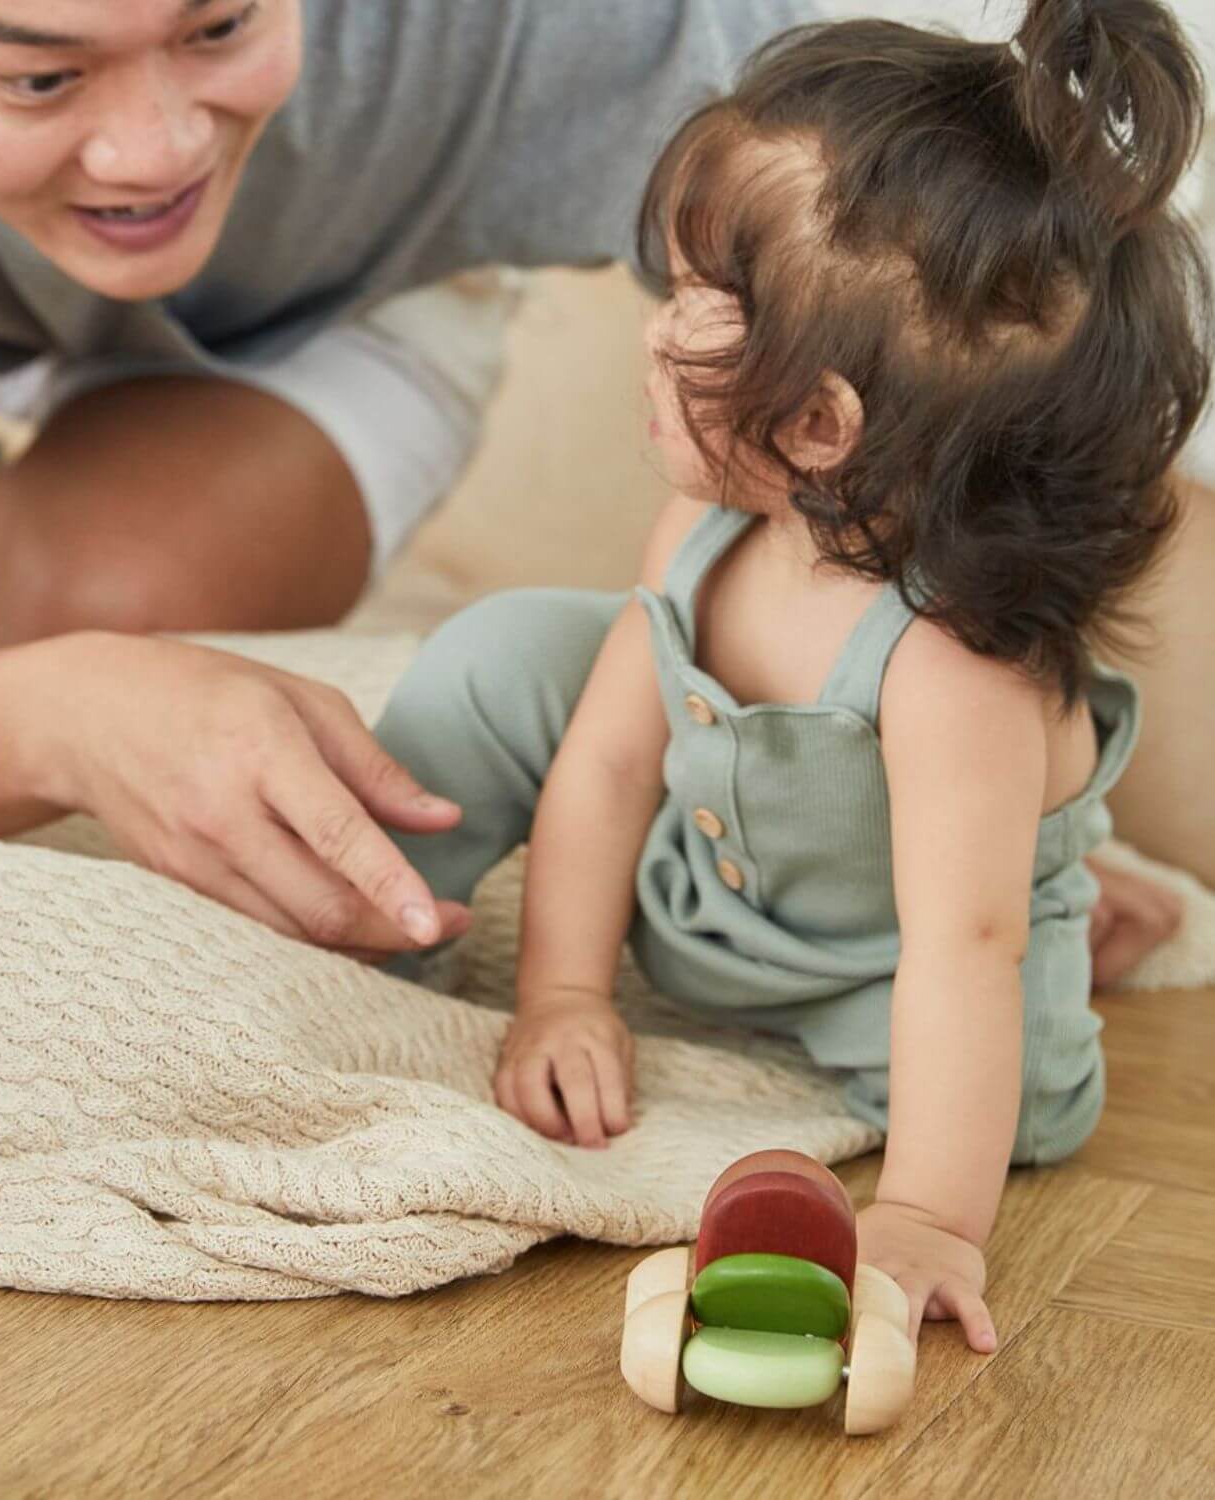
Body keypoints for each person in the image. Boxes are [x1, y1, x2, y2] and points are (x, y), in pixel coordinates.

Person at [0, 0, 1185, 973]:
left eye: (220, 21)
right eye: (39, 72)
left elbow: (921, 344)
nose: (150, 144)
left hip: (329, 305)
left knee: (105, 596)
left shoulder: (535, 28)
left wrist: (1021, 810)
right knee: (45, 656)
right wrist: (55, 713)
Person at [372, 0, 1211, 1347]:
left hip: (880, 971)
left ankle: (1062, 880)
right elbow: (603, 762)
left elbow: (957, 952)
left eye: (701, 302)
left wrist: (935, 1215)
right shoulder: (707, 530)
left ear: (820, 424)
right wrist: (566, 994)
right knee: (503, 655)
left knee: (1021, 1066)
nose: (653, 329)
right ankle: (377, 922)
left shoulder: (952, 676)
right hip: (704, 899)